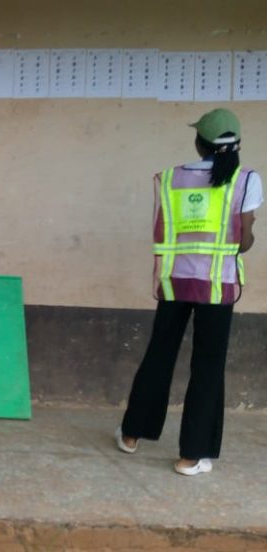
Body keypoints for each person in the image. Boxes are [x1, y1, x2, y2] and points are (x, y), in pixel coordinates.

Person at [116, 108, 261, 476]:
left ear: (199, 144)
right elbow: (243, 243)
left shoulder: (169, 179)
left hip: (173, 281)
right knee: (208, 366)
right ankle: (191, 456)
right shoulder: (246, 181)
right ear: (236, 145)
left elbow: (164, 229)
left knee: (160, 355)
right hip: (217, 286)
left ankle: (132, 434)